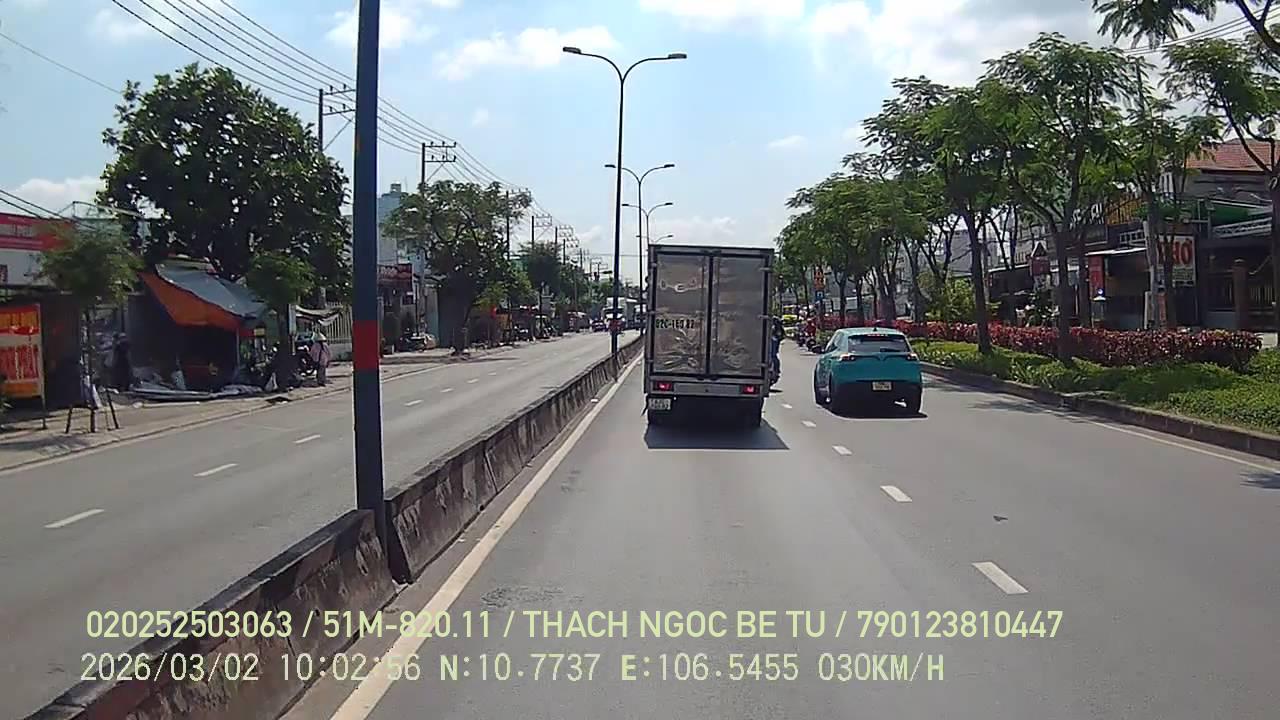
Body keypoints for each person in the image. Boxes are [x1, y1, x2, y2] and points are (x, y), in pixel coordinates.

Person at [770, 316, 784, 384]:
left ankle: (776, 370)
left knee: (773, 356)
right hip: (772, 342)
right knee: (773, 356)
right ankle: (776, 370)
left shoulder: (777, 327)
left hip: (774, 342)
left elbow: (780, 335)